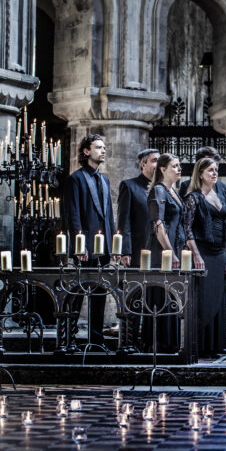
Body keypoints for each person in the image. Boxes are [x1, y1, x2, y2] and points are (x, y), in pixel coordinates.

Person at [61, 134, 115, 353]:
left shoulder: (105, 179)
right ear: (86, 151)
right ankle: (69, 339)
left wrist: (113, 247)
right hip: (85, 247)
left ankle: (97, 339)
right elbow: (73, 215)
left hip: (103, 247)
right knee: (77, 294)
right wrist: (79, 244)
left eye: (104, 147)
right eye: (98, 147)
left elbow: (108, 215)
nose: (103, 151)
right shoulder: (76, 179)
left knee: (100, 294)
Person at [183, 158, 226, 358]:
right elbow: (188, 229)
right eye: (210, 170)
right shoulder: (193, 197)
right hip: (203, 251)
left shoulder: (220, 193)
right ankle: (201, 344)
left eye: (216, 170)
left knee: (219, 297)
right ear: (200, 173)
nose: (215, 173)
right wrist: (196, 254)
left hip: (220, 253)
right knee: (204, 297)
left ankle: (217, 344)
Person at [116, 148, 159, 353]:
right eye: (154, 161)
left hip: (158, 254)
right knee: (133, 299)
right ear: (143, 164)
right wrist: (125, 251)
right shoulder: (130, 186)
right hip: (137, 251)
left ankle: (149, 342)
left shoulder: (161, 188)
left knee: (153, 299)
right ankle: (129, 343)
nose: (157, 164)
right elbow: (123, 222)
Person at [143, 153, 185, 353]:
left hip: (173, 248)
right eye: (175, 166)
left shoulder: (173, 191)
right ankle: (159, 344)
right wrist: (170, 252)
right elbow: (158, 224)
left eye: (179, 166)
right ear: (162, 169)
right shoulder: (159, 190)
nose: (179, 169)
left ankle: (171, 342)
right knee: (161, 297)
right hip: (162, 251)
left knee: (172, 296)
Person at [179, 146, 226, 258]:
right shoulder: (186, 186)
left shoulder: (224, 188)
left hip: (221, 246)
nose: (213, 165)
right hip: (199, 244)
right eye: (208, 162)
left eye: (215, 162)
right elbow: (185, 221)